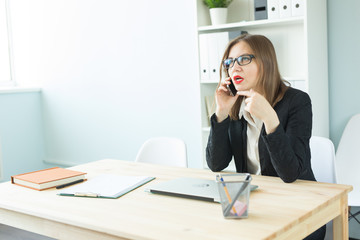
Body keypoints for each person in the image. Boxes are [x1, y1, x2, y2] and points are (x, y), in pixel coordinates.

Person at [206, 34, 325, 240]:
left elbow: (290, 174)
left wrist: (271, 119)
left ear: (266, 62)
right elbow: (216, 164)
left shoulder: (297, 102)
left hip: (297, 207)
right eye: (229, 62)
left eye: (244, 59)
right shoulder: (235, 103)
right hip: (253, 207)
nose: (235, 68)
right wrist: (221, 113)